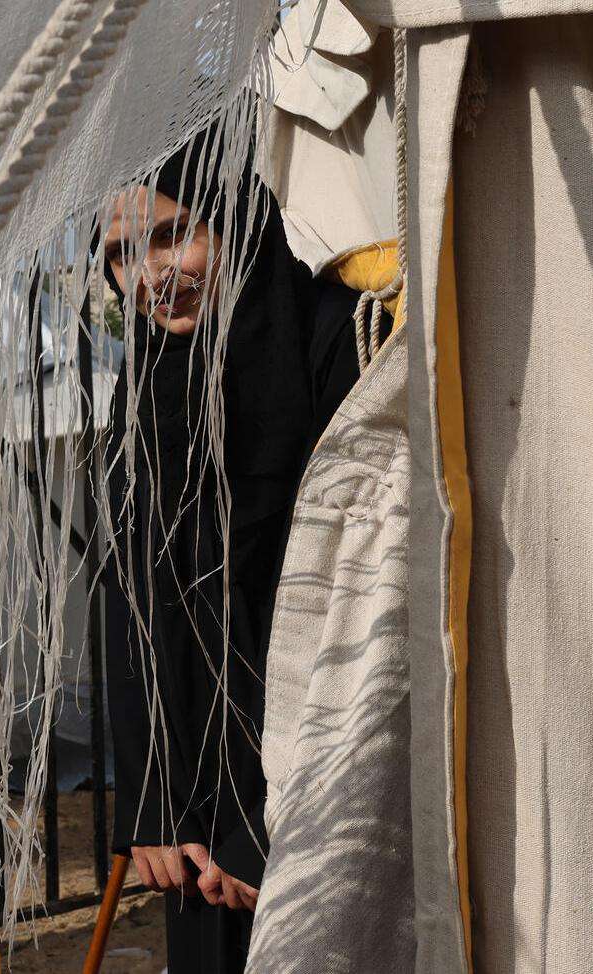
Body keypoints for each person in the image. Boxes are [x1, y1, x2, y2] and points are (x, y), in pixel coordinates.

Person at [99, 128, 371, 973]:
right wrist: (153, 802)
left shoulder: (333, 341)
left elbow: (350, 590)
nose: (149, 275)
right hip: (194, 830)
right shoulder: (145, 384)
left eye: (174, 234)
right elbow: (128, 597)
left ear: (239, 222)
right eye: (120, 255)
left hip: (317, 799)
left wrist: (265, 819)